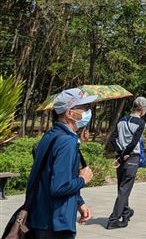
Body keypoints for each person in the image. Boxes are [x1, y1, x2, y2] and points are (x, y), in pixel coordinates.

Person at [26, 88, 97, 239]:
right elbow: (59, 186)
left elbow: (50, 175)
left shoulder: (51, 135)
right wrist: (83, 180)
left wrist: (79, 202)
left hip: (41, 217)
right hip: (55, 223)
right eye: (84, 108)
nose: (88, 112)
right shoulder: (67, 142)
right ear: (70, 113)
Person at [106, 96, 146, 229]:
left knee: (122, 187)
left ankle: (125, 212)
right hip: (131, 157)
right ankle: (113, 219)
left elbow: (113, 139)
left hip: (121, 157)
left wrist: (120, 154)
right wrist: (125, 154)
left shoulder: (122, 120)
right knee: (125, 189)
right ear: (142, 109)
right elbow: (134, 142)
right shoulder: (141, 123)